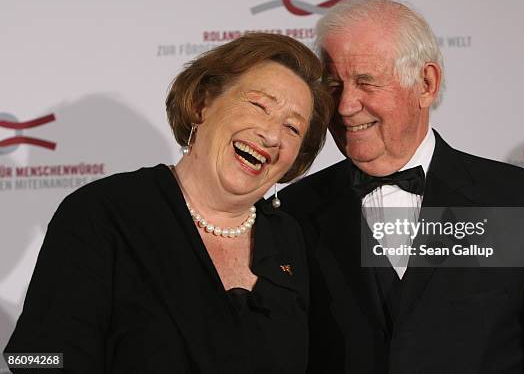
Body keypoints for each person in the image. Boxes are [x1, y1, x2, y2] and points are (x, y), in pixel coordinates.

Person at [279, 0, 524, 373]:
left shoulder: (521, 202)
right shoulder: (296, 208)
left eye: (367, 82)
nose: (346, 105)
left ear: (426, 84)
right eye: (334, 86)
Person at [4, 33, 333, 373]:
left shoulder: (289, 239)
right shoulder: (103, 213)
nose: (272, 135)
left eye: (293, 128)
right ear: (202, 104)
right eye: (258, 105)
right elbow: (34, 359)